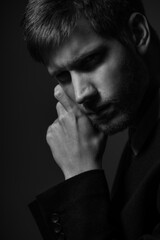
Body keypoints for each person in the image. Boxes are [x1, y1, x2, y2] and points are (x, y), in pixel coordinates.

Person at [21, 0, 160, 239]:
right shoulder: (143, 131)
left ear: (137, 33)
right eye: (63, 75)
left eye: (90, 61)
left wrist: (80, 177)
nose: (80, 94)